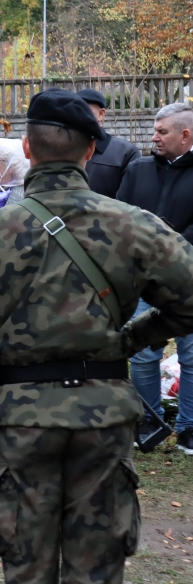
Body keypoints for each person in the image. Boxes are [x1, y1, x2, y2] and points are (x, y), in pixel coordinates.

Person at [0, 88, 193, 584]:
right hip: (103, 422)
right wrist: (128, 339)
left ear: (28, 150)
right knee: (96, 579)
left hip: (20, 426)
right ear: (91, 151)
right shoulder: (133, 226)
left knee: (28, 578)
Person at [117, 102, 193, 454]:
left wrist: (170, 251)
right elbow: (121, 215)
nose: (154, 137)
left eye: (162, 131)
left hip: (189, 280)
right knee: (143, 353)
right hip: (142, 280)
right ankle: (149, 418)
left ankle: (189, 426)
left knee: (191, 356)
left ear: (185, 134)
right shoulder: (138, 169)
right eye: (154, 130)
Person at [77, 88, 140, 199]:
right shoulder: (63, 148)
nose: (78, 116)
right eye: (75, 110)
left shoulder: (125, 152)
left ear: (101, 114)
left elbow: (132, 199)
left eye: (85, 110)